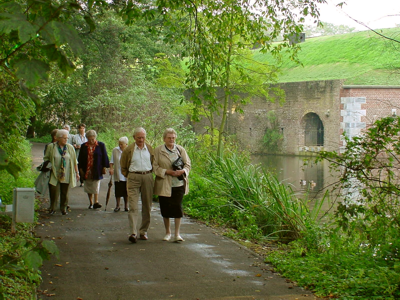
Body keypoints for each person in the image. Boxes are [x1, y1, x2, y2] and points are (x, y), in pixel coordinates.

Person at [153, 128, 191, 242]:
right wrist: (167, 172)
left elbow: (188, 164)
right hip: (164, 184)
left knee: (178, 208)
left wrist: (183, 171)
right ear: (164, 138)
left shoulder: (180, 149)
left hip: (178, 184)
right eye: (169, 138)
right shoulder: (158, 150)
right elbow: (154, 167)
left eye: (173, 137)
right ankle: (167, 232)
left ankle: (177, 234)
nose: (171, 139)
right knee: (165, 208)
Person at [120, 127, 154, 243]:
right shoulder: (128, 150)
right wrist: (129, 176)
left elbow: (154, 162)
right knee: (133, 205)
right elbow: (123, 166)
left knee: (147, 206)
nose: (141, 139)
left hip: (147, 176)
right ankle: (133, 232)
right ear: (134, 137)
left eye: (143, 137)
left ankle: (143, 231)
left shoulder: (149, 149)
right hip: (133, 177)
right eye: (138, 137)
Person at [44, 129, 79, 215]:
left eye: (67, 138)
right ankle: (52, 208)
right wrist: (49, 166)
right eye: (64, 138)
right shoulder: (51, 147)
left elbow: (74, 161)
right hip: (54, 173)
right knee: (53, 192)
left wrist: (77, 173)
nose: (66, 140)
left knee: (65, 192)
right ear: (58, 138)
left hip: (66, 173)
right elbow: (46, 158)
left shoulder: (70, 148)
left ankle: (63, 208)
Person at [78, 130, 110, 209]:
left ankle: (96, 201)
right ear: (87, 138)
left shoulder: (101, 145)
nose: (91, 141)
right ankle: (91, 202)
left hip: (97, 168)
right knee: (88, 185)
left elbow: (104, 156)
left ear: (95, 138)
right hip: (87, 168)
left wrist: (104, 167)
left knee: (96, 184)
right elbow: (80, 158)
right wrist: (80, 169)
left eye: (93, 139)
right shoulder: (83, 146)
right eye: (89, 139)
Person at [109, 136, 129, 212]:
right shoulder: (115, 150)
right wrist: (111, 169)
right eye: (119, 144)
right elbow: (111, 161)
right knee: (118, 190)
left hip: (126, 174)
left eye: (122, 144)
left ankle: (126, 206)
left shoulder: (129, 151)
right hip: (118, 173)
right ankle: (117, 205)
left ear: (126, 144)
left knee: (126, 191)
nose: (120, 146)